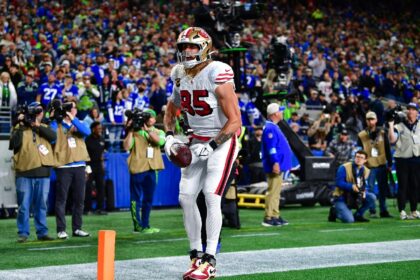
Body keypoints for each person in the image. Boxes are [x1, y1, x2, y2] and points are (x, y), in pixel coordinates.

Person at [163, 27, 241, 280]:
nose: (187, 51)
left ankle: (210, 260)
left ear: (205, 48)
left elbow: (235, 121)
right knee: (185, 196)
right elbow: (170, 109)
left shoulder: (217, 71)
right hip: (196, 139)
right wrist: (169, 136)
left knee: (211, 195)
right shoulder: (178, 73)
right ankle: (195, 255)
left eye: (192, 46)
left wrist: (213, 145)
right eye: (184, 46)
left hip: (223, 139)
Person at [9, 102, 56, 242]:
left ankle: (42, 232)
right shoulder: (20, 127)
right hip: (24, 171)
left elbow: (53, 137)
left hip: (43, 171)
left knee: (41, 204)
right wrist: (20, 124)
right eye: (35, 111)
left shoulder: (44, 127)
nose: (38, 113)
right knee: (24, 205)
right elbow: (13, 144)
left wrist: (36, 125)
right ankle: (23, 233)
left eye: (40, 111)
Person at [50, 101, 91, 239]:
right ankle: (61, 229)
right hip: (63, 166)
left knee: (79, 199)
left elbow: (87, 132)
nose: (74, 110)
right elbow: (51, 136)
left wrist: (73, 119)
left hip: (79, 165)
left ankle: (77, 228)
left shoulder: (78, 123)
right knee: (62, 199)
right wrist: (57, 118)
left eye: (73, 108)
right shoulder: (57, 124)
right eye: (72, 108)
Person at [123, 108, 165, 234]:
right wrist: (130, 130)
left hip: (152, 168)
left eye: (152, 116)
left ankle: (146, 225)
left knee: (148, 199)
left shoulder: (159, 131)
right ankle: (138, 226)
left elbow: (160, 142)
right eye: (148, 117)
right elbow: (126, 146)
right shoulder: (135, 132)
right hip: (138, 168)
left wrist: (147, 131)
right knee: (136, 198)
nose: (150, 119)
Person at [261, 103, 292, 227]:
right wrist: (275, 162)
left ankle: (275, 214)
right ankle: (268, 217)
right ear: (275, 114)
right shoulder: (270, 128)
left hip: (279, 164)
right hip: (275, 165)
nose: (282, 113)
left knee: (276, 192)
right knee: (273, 191)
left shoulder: (274, 127)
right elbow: (271, 148)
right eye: (281, 111)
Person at [357, 111, 393, 218]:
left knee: (383, 189)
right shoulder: (361, 135)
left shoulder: (382, 132)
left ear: (376, 120)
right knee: (371, 190)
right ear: (365, 121)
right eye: (368, 119)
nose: (370, 121)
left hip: (382, 164)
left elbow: (387, 148)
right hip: (369, 166)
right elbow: (359, 152)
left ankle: (383, 210)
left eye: (372, 119)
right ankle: (372, 210)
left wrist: (390, 163)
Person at [388, 102, 420, 220]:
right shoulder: (399, 125)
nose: (410, 111)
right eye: (409, 109)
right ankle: (402, 210)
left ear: (417, 112)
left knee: (415, 186)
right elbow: (392, 140)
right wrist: (391, 125)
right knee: (403, 185)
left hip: (416, 158)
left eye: (413, 109)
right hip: (402, 159)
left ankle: (413, 210)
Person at [331, 150, 376, 223]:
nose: (359, 159)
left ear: (365, 160)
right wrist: (351, 186)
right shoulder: (344, 167)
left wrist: (364, 191)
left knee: (371, 197)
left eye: (361, 158)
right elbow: (338, 182)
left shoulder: (366, 170)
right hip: (341, 196)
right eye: (357, 157)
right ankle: (334, 212)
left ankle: (358, 215)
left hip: (354, 195)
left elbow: (363, 184)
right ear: (354, 157)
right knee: (349, 220)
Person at [85, 121, 107, 215]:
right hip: (90, 165)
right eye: (98, 128)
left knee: (101, 187)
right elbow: (85, 154)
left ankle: (100, 209)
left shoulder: (102, 139)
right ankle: (88, 209)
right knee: (88, 187)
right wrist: (86, 169)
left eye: (101, 129)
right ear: (93, 129)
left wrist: (102, 164)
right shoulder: (88, 140)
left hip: (99, 166)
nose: (100, 130)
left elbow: (102, 152)